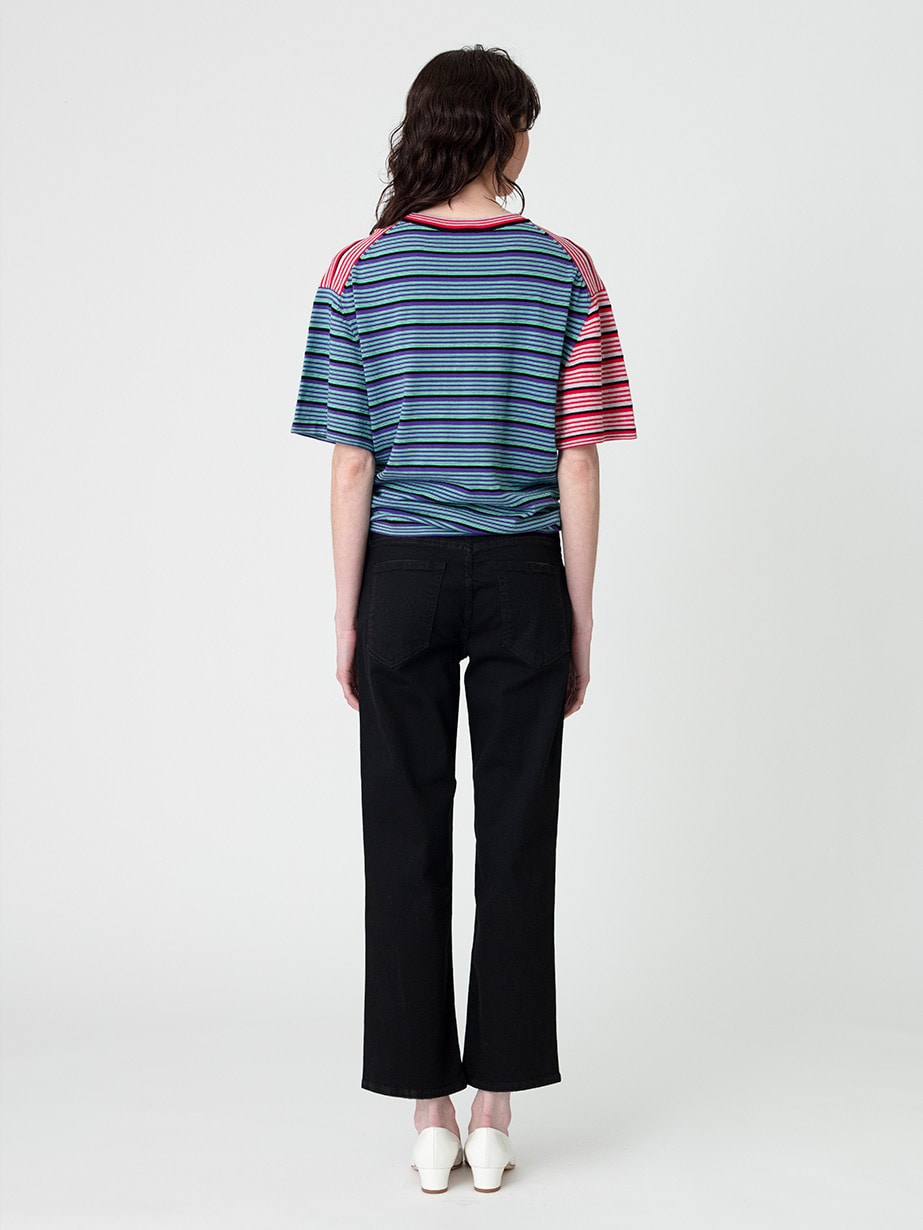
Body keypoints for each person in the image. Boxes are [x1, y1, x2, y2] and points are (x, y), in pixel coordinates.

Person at [289, 44, 636, 1194]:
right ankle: (495, 1109)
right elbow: (576, 460)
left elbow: (351, 463)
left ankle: (427, 1112)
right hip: (524, 572)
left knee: (403, 837)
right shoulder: (565, 270)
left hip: (399, 576)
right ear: (502, 133)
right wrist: (578, 617)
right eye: (525, 122)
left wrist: (347, 617)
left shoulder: (359, 270)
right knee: (516, 836)